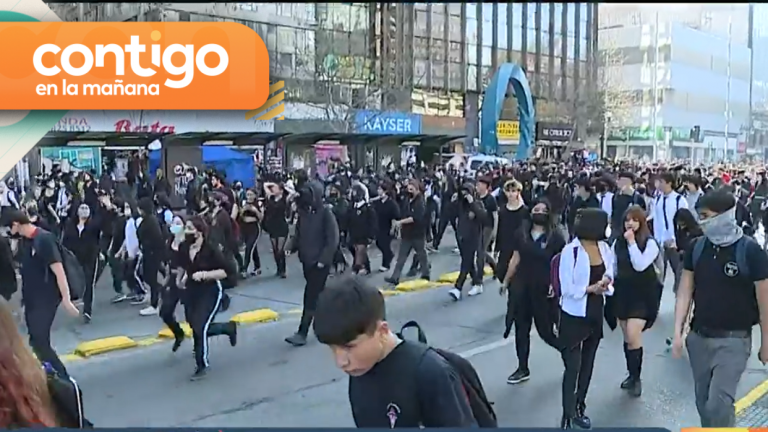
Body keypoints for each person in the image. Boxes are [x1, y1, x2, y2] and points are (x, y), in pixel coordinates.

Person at [312, 276, 476, 428]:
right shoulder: (360, 369)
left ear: (382, 331)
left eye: (349, 347)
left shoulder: (429, 373)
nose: (341, 362)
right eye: (332, 348)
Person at [672, 190, 768, 427]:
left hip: (734, 341)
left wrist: (766, 343)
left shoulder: (750, 251)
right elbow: (685, 292)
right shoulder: (696, 248)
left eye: (706, 216)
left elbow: (765, 302)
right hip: (698, 339)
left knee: (719, 403)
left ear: (725, 216)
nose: (702, 222)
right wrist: (678, 332)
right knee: (703, 402)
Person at [4, 210, 79, 378]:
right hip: (32, 299)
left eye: (8, 227)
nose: (7, 232)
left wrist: (66, 299)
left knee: (40, 341)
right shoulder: (25, 242)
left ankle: (63, 377)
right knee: (36, 341)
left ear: (16, 224)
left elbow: (58, 270)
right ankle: (51, 374)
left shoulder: (44, 239)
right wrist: (24, 304)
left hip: (46, 299)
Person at [557, 207, 614, 429]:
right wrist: (589, 288)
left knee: (588, 363)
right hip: (573, 313)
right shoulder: (570, 251)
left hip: (595, 310)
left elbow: (611, 271)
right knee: (573, 366)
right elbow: (566, 286)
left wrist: (606, 281)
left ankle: (580, 406)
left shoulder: (604, 248)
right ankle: (567, 413)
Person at [501, 199, 565, 384]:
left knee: (546, 331)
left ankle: (569, 355)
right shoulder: (521, 234)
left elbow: (561, 263)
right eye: (536, 209)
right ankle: (522, 368)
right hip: (522, 288)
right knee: (521, 329)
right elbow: (515, 258)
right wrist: (506, 281)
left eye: (543, 210)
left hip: (543, 288)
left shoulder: (556, 237)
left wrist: (556, 284)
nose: (539, 212)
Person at [178, 215, 237, 380]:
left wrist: (205, 274)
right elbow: (183, 265)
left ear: (199, 232)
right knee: (195, 325)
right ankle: (227, 328)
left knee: (200, 326)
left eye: (189, 228)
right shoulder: (185, 247)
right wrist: (181, 279)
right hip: (191, 291)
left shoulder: (211, 249)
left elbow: (227, 271)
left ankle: (201, 364)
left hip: (209, 290)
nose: (186, 231)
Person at [611, 205, 662, 397]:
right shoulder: (617, 242)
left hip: (643, 293)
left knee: (633, 334)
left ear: (641, 222)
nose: (630, 224)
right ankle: (631, 374)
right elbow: (613, 265)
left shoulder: (649, 243)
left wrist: (632, 243)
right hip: (623, 291)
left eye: (634, 220)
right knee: (627, 336)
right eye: (627, 220)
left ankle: (637, 377)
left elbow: (640, 265)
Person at [285, 179, 340, 347]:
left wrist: (324, 260)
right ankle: (336, 324)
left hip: (319, 263)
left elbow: (333, 239)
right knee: (320, 296)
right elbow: (299, 234)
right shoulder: (304, 213)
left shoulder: (325, 213)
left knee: (310, 296)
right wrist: (292, 247)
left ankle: (302, 332)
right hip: (307, 261)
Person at [61, 203, 101, 323]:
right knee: (76, 281)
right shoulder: (70, 225)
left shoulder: (93, 226)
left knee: (89, 283)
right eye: (82, 208)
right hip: (75, 259)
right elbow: (65, 242)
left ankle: (87, 311)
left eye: (86, 208)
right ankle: (76, 297)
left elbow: (102, 233)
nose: (84, 211)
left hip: (89, 259)